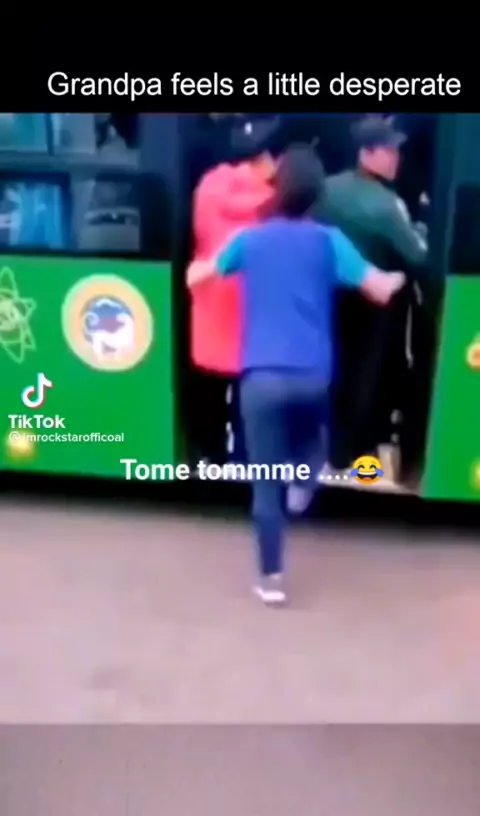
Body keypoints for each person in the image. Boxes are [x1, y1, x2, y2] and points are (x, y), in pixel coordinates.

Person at [191, 146, 406, 606]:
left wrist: (196, 270)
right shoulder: (330, 241)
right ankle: (304, 483)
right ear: (316, 195)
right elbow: (378, 289)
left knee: (264, 481)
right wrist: (399, 278)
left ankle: (271, 579)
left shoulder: (249, 239)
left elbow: (202, 276)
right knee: (312, 447)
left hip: (260, 378)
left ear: (277, 188)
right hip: (311, 377)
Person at [316, 116, 428, 475]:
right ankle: (352, 454)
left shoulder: (325, 188)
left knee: (333, 372)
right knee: (364, 379)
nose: (396, 158)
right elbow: (418, 256)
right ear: (366, 153)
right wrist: (420, 228)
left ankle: (330, 449)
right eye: (388, 151)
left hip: (325, 298)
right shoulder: (386, 204)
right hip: (372, 303)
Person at [186, 117, 282, 463]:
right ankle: (244, 460)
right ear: (266, 159)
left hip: (209, 306)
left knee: (208, 393)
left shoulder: (207, 186)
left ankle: (209, 455)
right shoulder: (275, 202)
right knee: (249, 398)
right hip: (252, 315)